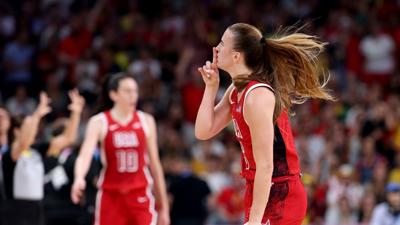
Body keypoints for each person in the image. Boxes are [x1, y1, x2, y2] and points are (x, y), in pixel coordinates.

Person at [195, 23, 334, 225]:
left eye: (222, 43)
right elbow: (203, 131)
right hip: (259, 187)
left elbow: (267, 166)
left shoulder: (257, 96)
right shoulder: (236, 90)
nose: (216, 47)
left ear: (236, 56)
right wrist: (210, 88)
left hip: (280, 190)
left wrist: (255, 221)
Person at [71, 73, 170, 225]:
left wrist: (163, 207)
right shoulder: (99, 121)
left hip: (140, 193)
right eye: (128, 91)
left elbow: (155, 165)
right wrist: (79, 178)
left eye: (135, 91)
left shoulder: (146, 121)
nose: (133, 96)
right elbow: (85, 155)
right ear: (113, 94)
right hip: (111, 195)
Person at [2, 92, 51, 225]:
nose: (34, 130)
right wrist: (37, 114)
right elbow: (23, 142)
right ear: (17, 131)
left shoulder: (36, 150)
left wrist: (76, 112)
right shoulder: (11, 152)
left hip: (36, 207)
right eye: (29, 127)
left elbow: (67, 140)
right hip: (15, 209)